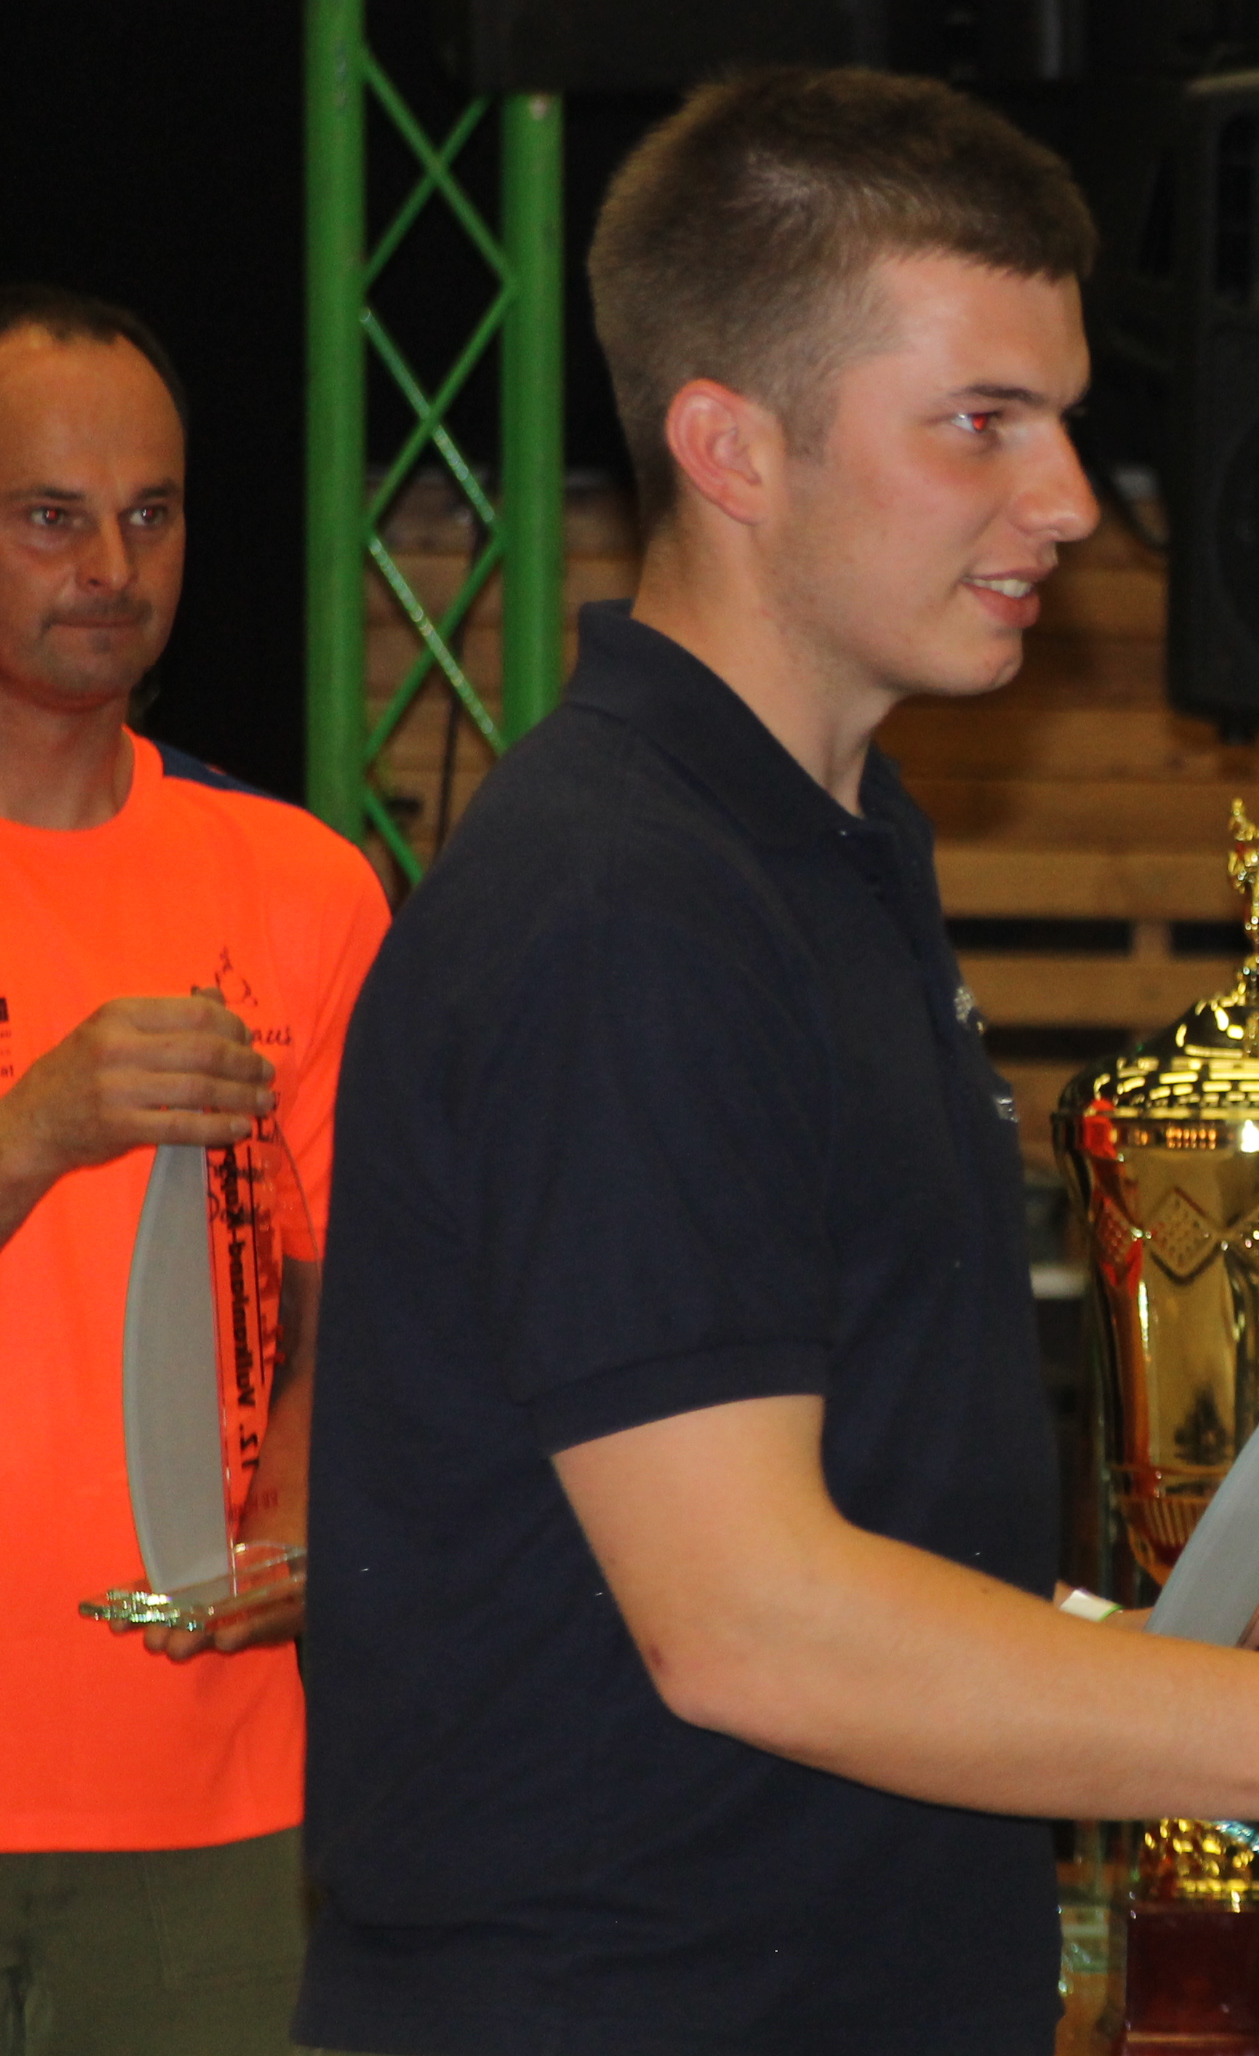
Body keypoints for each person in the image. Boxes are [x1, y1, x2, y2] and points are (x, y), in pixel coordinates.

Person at [296, 71, 1259, 2056]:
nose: (1065, 496)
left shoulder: (821, 851)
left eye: (1061, 416)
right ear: (729, 444)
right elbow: (745, 1620)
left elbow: (843, 1524)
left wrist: (1158, 1659)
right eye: (979, 421)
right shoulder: (621, 902)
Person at [0, 286, 389, 2053]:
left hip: (207, 1797)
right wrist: (37, 1125)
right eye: (50, 516)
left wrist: (299, 1506)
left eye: (149, 514)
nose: (110, 566)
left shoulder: (300, 885)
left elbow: (355, 1283)